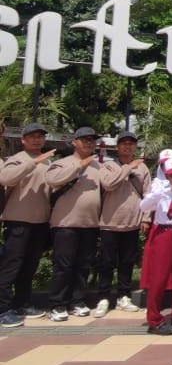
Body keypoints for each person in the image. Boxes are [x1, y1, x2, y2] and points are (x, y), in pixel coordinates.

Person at [46, 127, 123, 321]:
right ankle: (57, 304)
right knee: (64, 266)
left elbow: (109, 185)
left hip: (90, 224)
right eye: (85, 139)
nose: (89, 142)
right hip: (65, 223)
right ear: (74, 142)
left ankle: (77, 301)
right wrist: (80, 166)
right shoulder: (63, 163)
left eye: (92, 140)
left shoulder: (98, 165)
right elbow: (52, 180)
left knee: (83, 265)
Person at [0, 122, 54, 327]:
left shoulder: (48, 163)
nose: (37, 140)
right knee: (10, 266)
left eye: (40, 136)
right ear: (23, 140)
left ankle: (21, 303)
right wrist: (33, 162)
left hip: (40, 222)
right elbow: (6, 179)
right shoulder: (16, 159)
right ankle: (3, 309)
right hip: (18, 221)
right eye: (32, 136)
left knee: (29, 266)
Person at [94, 131, 150, 318]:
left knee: (127, 261)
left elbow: (148, 194)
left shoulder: (143, 168)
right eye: (124, 143)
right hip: (109, 223)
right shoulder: (107, 166)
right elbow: (108, 184)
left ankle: (124, 296)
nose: (128, 146)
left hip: (132, 222)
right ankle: (103, 297)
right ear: (117, 147)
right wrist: (128, 167)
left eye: (131, 143)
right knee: (107, 262)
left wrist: (146, 217)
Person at [139, 156, 172, 335]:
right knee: (158, 277)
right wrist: (162, 193)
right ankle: (154, 318)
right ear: (167, 175)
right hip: (164, 232)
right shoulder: (160, 189)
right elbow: (143, 206)